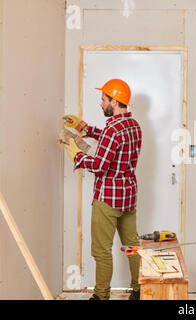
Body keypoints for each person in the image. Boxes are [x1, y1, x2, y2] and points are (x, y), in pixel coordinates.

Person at [62, 79, 142, 300]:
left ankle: (100, 296)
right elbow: (111, 140)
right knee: (132, 247)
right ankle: (138, 290)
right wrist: (83, 128)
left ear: (114, 102)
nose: (101, 104)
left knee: (101, 252)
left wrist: (76, 154)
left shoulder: (112, 129)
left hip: (107, 199)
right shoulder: (134, 125)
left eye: (103, 100)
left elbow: (99, 166)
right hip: (128, 197)